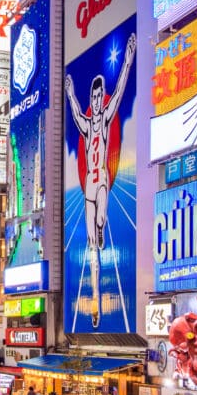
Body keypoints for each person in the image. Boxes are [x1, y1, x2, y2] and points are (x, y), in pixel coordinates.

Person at [64, 32, 135, 329]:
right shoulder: (85, 122)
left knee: (101, 220)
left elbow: (119, 90)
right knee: (92, 247)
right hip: (88, 190)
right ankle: (94, 302)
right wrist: (69, 92)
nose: (95, 100)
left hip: (102, 181)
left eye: (97, 96)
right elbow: (75, 110)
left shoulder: (104, 120)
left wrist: (129, 57)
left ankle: (101, 228)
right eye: (92, 97)